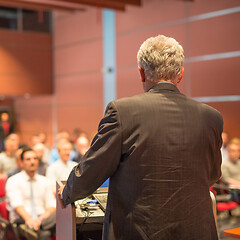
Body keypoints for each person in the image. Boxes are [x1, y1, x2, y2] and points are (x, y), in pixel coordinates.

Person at [59, 35, 223, 240]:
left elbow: (92, 170)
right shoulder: (212, 117)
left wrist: (67, 192)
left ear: (142, 73)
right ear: (180, 74)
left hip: (140, 232)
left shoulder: (122, 112)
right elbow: (213, 174)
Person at [5, 148, 56, 240]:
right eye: (28, 159)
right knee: (45, 234)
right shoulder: (13, 181)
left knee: (61, 215)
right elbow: (17, 204)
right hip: (22, 221)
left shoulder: (45, 181)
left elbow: (51, 203)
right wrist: (29, 219)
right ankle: (38, 228)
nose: (32, 162)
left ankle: (38, 226)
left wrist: (41, 218)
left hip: (43, 219)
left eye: (35, 158)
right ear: (21, 162)